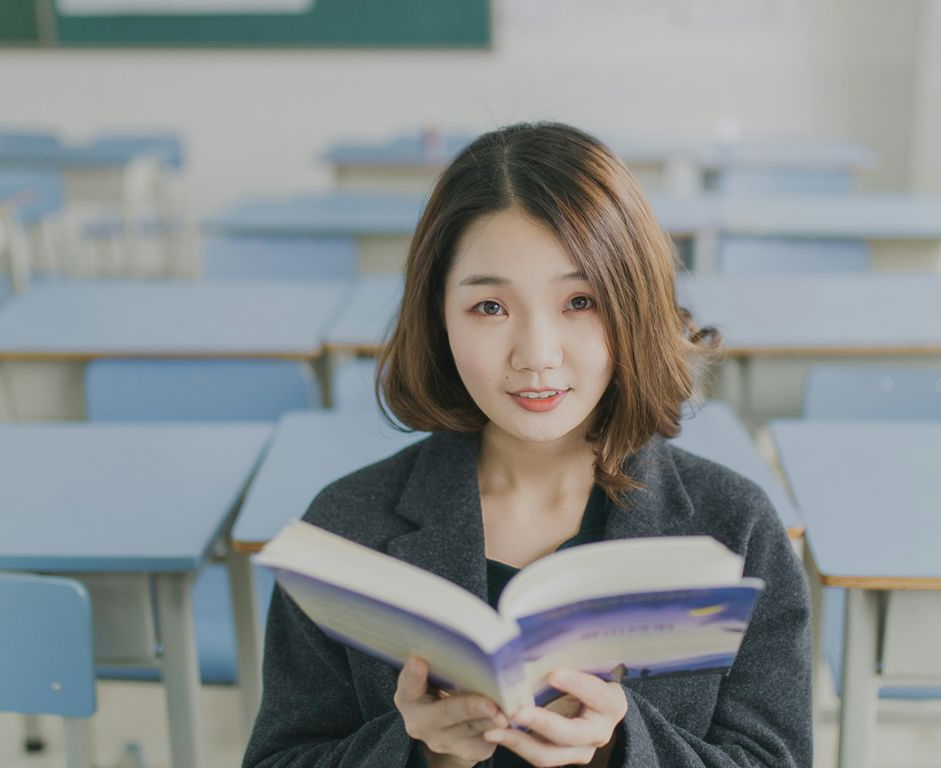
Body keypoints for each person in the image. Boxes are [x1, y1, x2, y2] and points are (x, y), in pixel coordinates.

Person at [243, 122, 811, 768]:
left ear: (635, 307)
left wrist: (618, 749)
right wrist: (425, 756)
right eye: (490, 307)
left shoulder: (735, 528)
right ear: (438, 318)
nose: (537, 356)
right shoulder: (348, 528)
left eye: (580, 301)